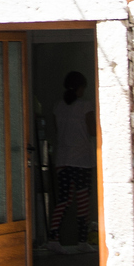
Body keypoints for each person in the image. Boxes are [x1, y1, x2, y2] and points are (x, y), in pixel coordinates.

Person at [44, 69, 96, 253]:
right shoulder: (86, 105)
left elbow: (58, 130)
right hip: (82, 160)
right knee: (82, 201)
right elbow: (92, 131)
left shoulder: (58, 106)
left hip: (62, 160)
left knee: (63, 201)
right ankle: (82, 241)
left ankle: (53, 238)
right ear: (81, 88)